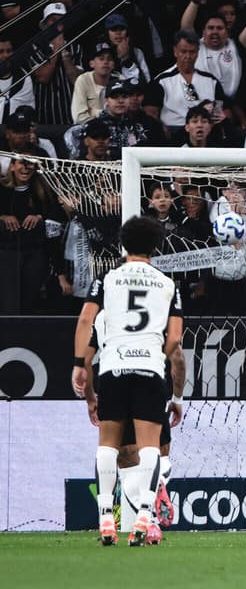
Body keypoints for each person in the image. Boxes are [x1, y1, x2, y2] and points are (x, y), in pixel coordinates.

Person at [73, 215, 185, 546]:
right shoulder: (167, 285)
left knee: (108, 444)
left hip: (112, 369)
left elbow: (85, 319)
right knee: (151, 447)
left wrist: (80, 364)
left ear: (122, 244)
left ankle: (106, 519)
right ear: (156, 246)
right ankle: (145, 517)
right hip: (150, 368)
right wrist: (156, 355)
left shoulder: (106, 280)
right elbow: (176, 339)